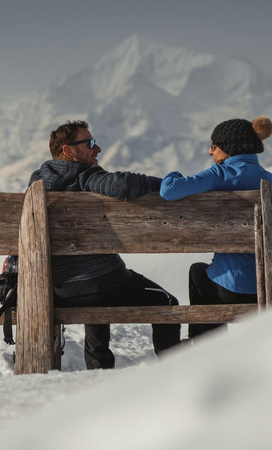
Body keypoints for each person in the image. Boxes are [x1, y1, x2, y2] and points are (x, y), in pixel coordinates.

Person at [16, 120, 180, 369]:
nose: (98, 148)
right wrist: (166, 184)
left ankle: (99, 369)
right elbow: (123, 185)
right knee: (167, 302)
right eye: (90, 143)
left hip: (61, 291)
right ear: (69, 151)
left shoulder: (37, 183)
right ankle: (174, 370)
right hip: (105, 283)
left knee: (93, 287)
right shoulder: (85, 176)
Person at [159, 116, 272, 340]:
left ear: (228, 148)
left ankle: (205, 343)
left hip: (232, 289)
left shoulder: (221, 174)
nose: (210, 152)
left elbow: (169, 191)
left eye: (213, 146)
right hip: (270, 286)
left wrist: (174, 174)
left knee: (198, 271)